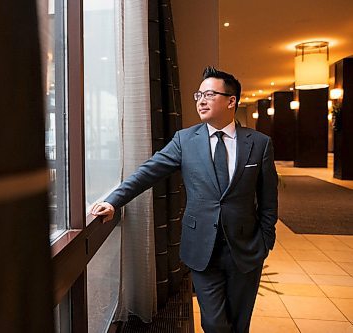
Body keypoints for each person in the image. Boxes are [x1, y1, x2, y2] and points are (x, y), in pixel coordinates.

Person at [91, 67, 278, 333]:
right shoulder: (185, 140)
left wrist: (265, 241)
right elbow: (148, 172)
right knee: (213, 323)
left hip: (246, 250)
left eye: (209, 94)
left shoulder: (259, 143)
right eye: (198, 94)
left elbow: (269, 199)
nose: (201, 100)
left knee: (239, 323)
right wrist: (114, 200)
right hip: (202, 248)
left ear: (231, 100)